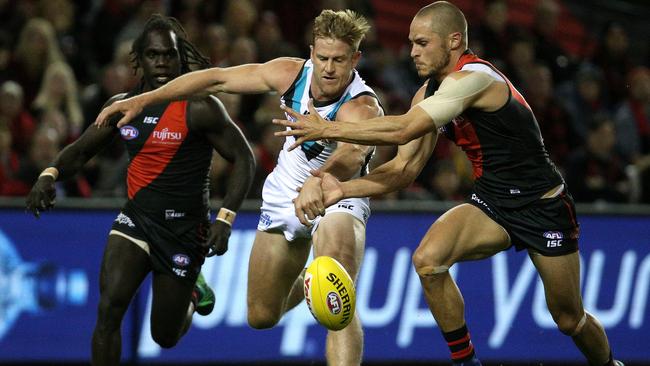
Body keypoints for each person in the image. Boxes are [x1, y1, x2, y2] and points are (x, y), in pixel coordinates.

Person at [272, 2, 623, 366]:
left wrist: (327, 128)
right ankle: (466, 361)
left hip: (543, 205)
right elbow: (404, 170)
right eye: (411, 43)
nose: (412, 52)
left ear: (454, 40)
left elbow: (406, 127)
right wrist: (342, 190)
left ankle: (609, 363)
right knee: (428, 260)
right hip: (492, 203)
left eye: (422, 43)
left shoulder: (476, 80)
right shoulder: (427, 94)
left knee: (569, 318)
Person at [96, 10, 383, 365]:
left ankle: (326, 283)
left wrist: (318, 179)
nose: (328, 68)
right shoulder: (290, 74)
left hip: (339, 195)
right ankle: (312, 283)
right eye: (322, 57)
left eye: (339, 60)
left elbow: (352, 154)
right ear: (311, 53)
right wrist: (143, 100)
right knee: (261, 315)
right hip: (285, 195)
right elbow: (216, 79)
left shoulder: (363, 107)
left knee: (338, 291)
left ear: (355, 58)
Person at [26, 15, 255, 366]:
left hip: (184, 232)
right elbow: (82, 150)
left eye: (169, 54)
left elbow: (244, 158)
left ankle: (194, 292)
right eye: (153, 55)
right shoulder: (122, 106)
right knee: (108, 311)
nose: (161, 62)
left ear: (181, 58)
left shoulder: (200, 106)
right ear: (139, 59)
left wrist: (225, 218)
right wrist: (49, 173)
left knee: (164, 336)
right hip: (135, 220)